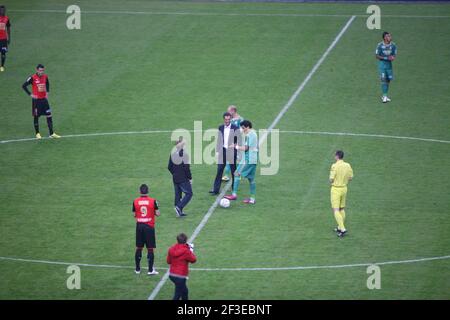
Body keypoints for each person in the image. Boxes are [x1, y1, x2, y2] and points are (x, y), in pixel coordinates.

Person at [22, 64, 60, 139]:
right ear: (37, 70)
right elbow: (24, 86)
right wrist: (30, 94)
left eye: (42, 70)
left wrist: (47, 92)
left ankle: (51, 133)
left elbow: (47, 83)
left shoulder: (45, 76)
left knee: (49, 115)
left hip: (44, 100)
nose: (41, 72)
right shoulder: (32, 78)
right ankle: (37, 133)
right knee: (36, 116)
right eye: (40, 70)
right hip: (36, 101)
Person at [224, 120, 258, 204]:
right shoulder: (254, 133)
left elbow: (246, 148)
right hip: (253, 160)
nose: (243, 130)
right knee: (251, 179)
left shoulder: (249, 135)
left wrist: (236, 147)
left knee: (236, 174)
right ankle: (252, 199)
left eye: (243, 128)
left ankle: (234, 194)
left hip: (248, 160)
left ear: (247, 127)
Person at [132, 184, 160, 275]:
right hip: (149, 227)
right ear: (148, 191)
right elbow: (158, 213)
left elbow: (134, 214)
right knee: (150, 249)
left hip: (139, 226)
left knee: (139, 248)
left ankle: (137, 269)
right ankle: (150, 270)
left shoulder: (135, 201)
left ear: (139, 191)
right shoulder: (153, 201)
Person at [209, 112, 240, 195]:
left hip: (231, 151)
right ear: (224, 119)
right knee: (219, 170)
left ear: (230, 119)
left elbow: (239, 140)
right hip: (222, 151)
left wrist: (236, 151)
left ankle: (234, 189)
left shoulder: (235, 127)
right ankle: (216, 190)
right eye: (226, 119)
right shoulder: (220, 127)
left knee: (233, 171)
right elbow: (219, 139)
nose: (227, 121)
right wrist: (217, 151)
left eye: (228, 119)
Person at [329, 150, 354, 238]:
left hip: (336, 189)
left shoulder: (334, 166)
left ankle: (343, 229)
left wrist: (332, 181)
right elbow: (351, 177)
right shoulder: (348, 165)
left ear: (337, 156)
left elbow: (331, 179)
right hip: (344, 188)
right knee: (341, 208)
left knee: (335, 210)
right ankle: (339, 227)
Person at [167, 233, 196, 300]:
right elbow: (193, 260)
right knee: (177, 294)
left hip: (172, 275)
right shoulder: (186, 251)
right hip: (180, 276)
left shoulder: (171, 249)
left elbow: (168, 261)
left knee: (184, 292)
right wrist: (191, 250)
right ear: (186, 240)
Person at [168, 138, 192, 217]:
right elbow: (186, 168)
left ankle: (179, 211)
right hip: (183, 178)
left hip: (175, 178)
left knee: (178, 195)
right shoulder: (185, 154)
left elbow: (169, 167)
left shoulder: (173, 154)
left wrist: (174, 173)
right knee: (189, 193)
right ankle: (179, 207)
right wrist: (190, 178)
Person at [222, 105, 244, 182]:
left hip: (237, 142)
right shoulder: (230, 119)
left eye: (229, 111)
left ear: (233, 111)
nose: (227, 112)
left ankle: (237, 174)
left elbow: (242, 130)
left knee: (236, 159)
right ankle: (227, 175)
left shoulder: (240, 120)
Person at [375, 31, 397, 103]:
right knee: (383, 80)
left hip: (389, 66)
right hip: (382, 66)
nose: (390, 37)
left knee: (388, 80)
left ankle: (385, 95)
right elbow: (377, 56)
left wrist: (393, 57)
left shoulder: (393, 45)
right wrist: (386, 58)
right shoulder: (380, 45)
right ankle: (384, 96)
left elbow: (394, 55)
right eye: (388, 36)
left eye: (390, 36)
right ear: (384, 38)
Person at [0, 5, 11, 72]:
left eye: (4, 10)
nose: (3, 11)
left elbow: (8, 28)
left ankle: (2, 66)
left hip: (3, 39)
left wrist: (9, 38)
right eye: (1, 10)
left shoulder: (7, 18)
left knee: (3, 53)